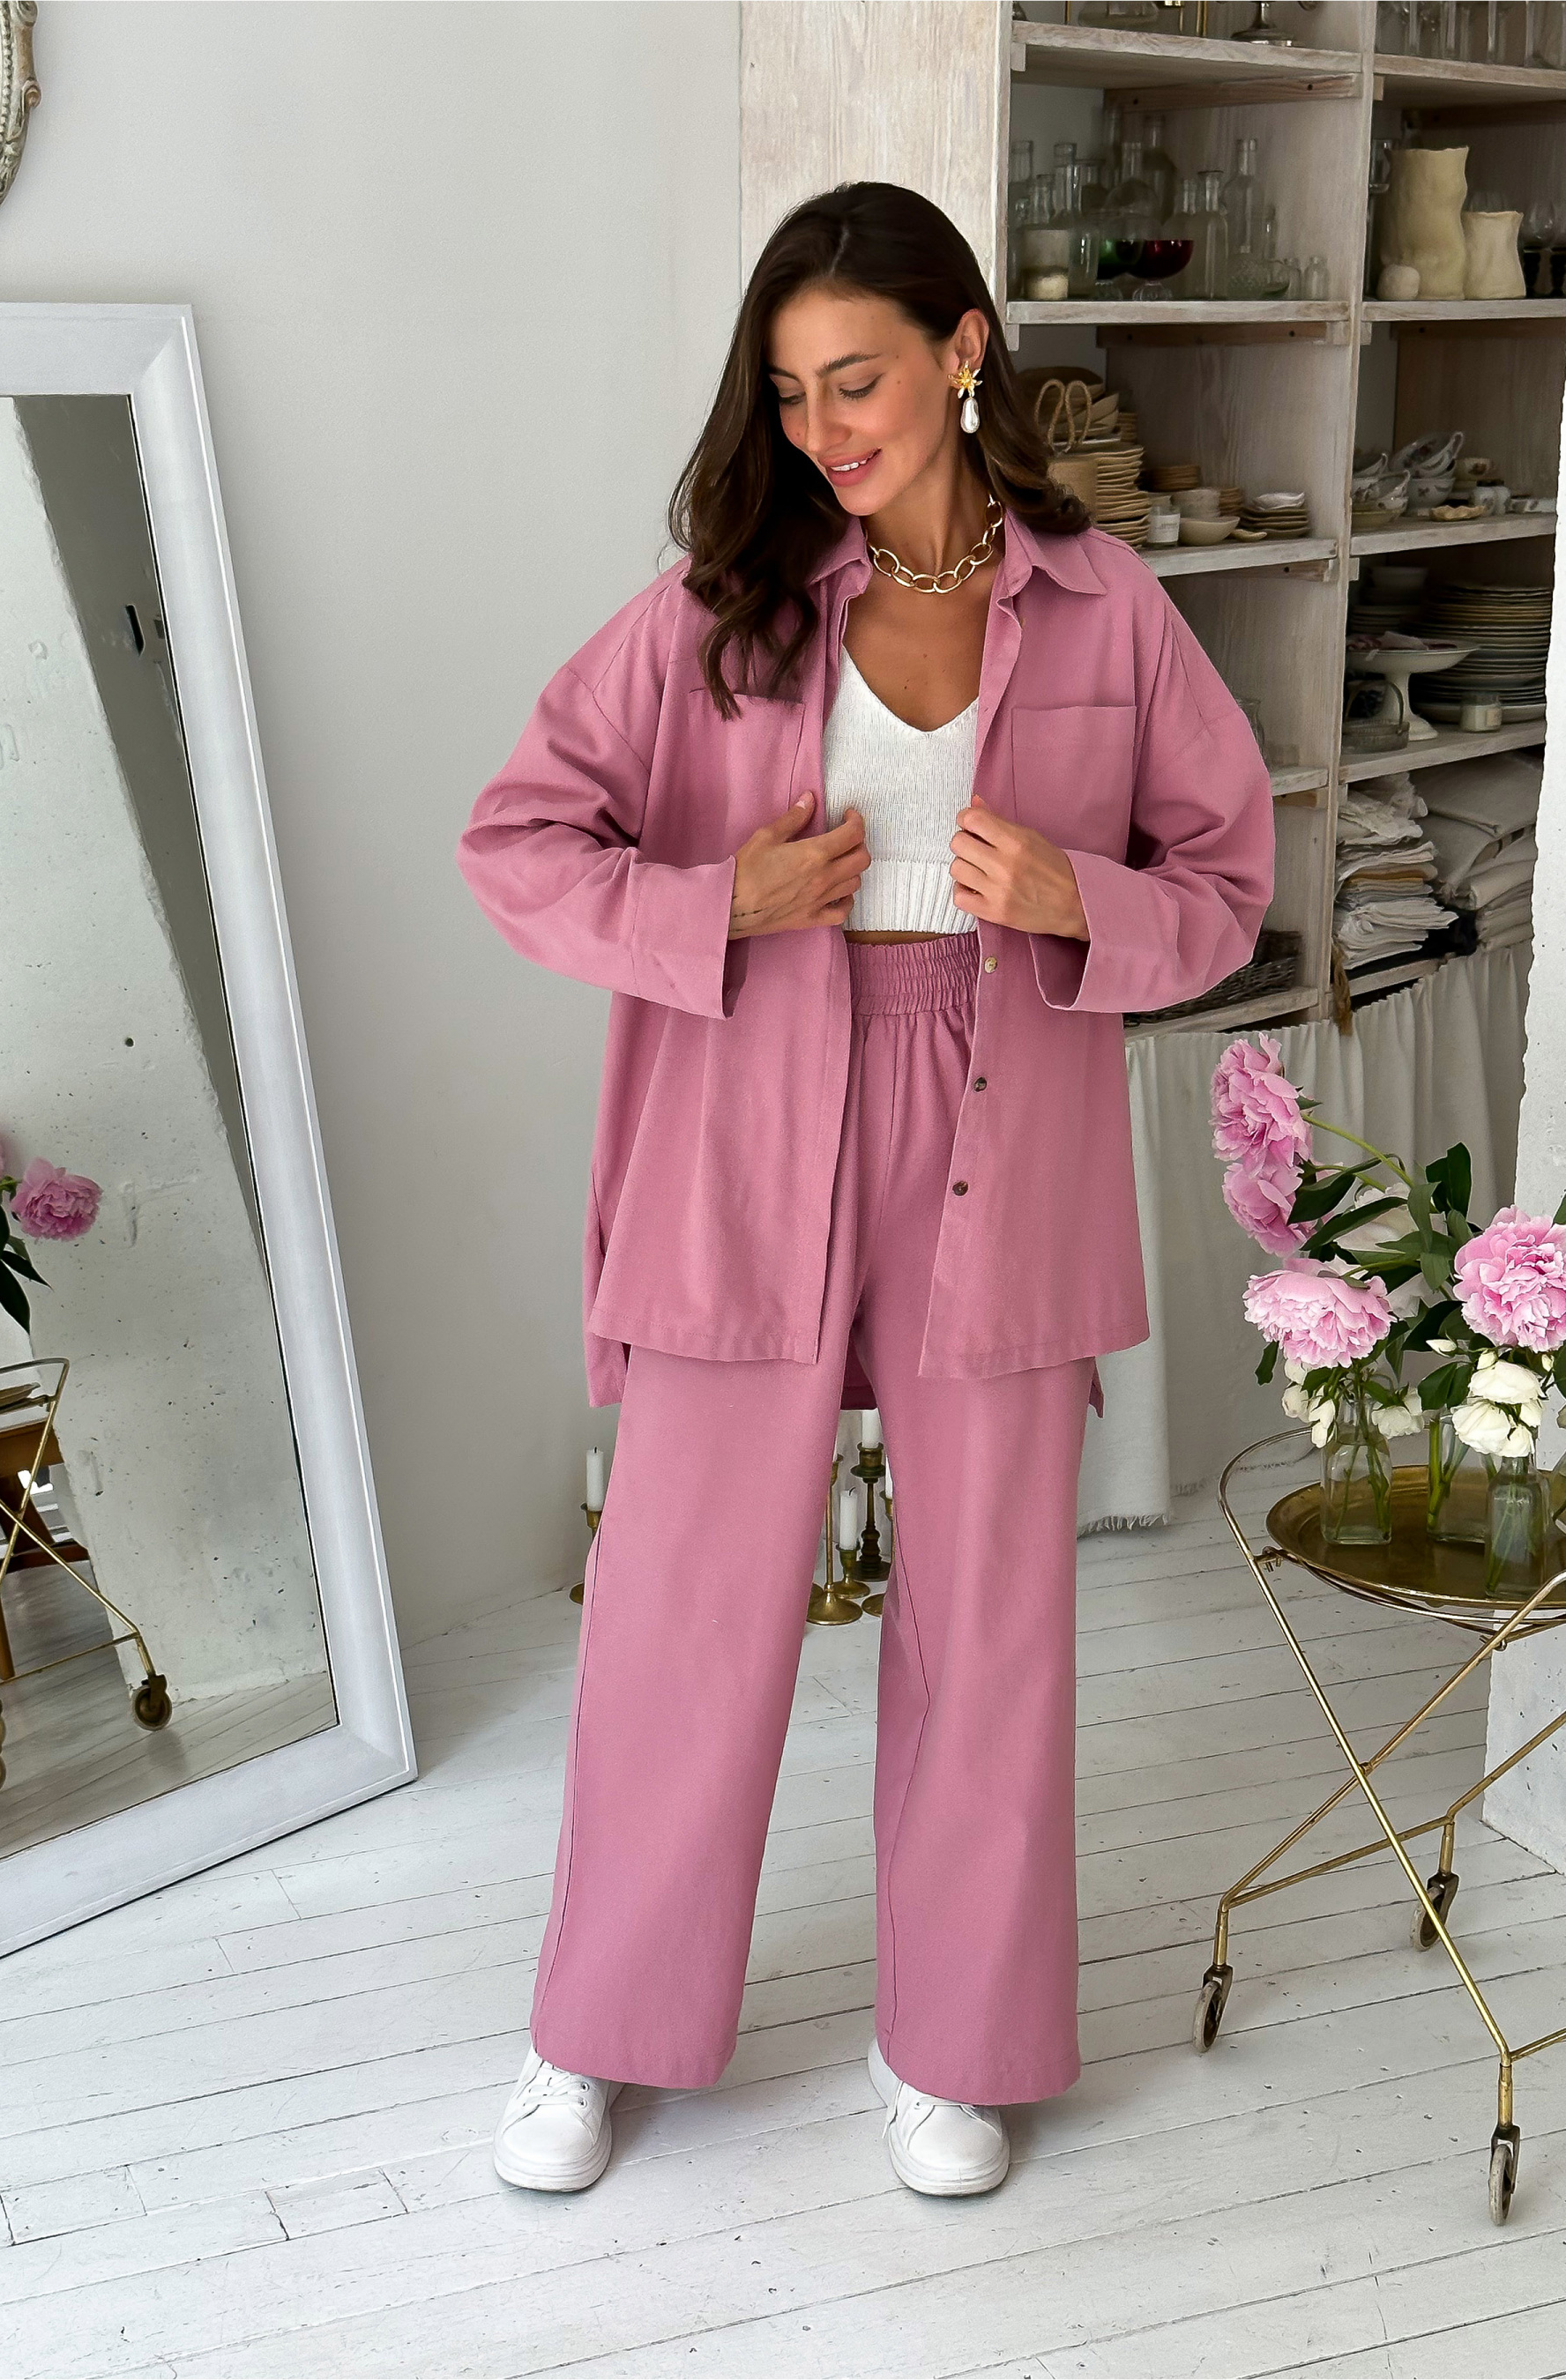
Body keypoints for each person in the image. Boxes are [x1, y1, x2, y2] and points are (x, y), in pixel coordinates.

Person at [457, 181, 1275, 2198]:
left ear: (961, 349)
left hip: (1000, 1124)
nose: (822, 426)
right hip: (748, 1116)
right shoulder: (719, 608)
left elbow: (1225, 884)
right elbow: (516, 841)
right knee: (679, 1602)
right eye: (789, 389)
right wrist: (709, 900)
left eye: (858, 379)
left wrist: (1075, 896)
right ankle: (596, 2030)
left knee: (987, 1616)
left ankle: (958, 2052)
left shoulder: (1103, 607)